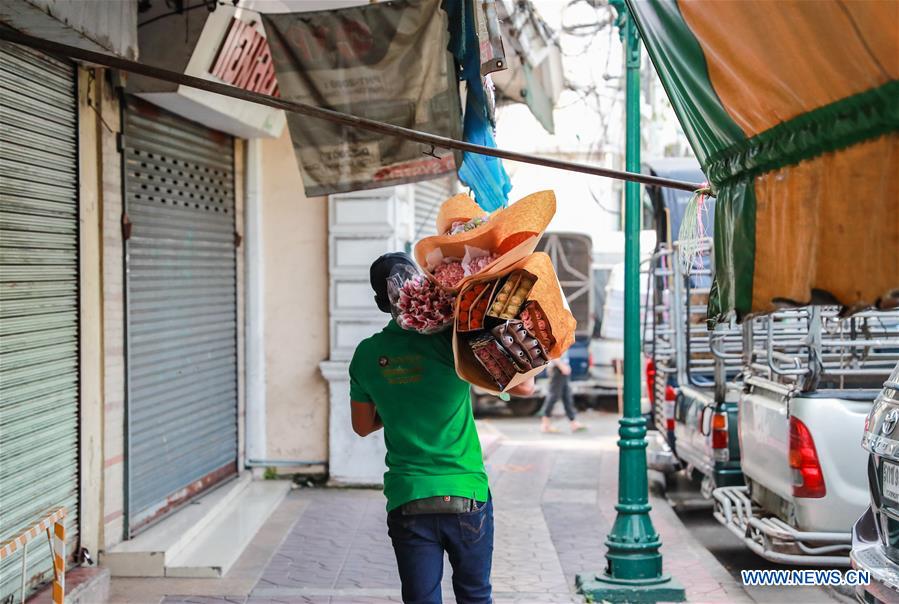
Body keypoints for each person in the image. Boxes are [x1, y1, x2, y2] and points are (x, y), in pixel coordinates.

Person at [350, 252, 535, 604]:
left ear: (380, 303)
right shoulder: (449, 341)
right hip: (465, 493)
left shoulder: (366, 354)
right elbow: (523, 388)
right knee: (475, 596)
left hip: (409, 497)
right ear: (422, 288)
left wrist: (397, 400)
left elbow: (362, 426)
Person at [539, 351, 586, 433]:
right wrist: (562, 366)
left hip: (562, 367)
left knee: (567, 396)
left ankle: (573, 422)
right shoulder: (559, 338)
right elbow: (552, 352)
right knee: (553, 396)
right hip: (557, 368)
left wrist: (565, 365)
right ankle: (545, 423)